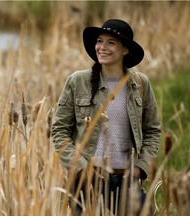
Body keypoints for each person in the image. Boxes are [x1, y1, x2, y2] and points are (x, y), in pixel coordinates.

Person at [52, 19, 161, 215]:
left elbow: (152, 130)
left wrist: (140, 167)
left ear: (125, 50)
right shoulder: (78, 81)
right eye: (99, 41)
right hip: (85, 181)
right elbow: (59, 131)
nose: (102, 47)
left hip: (125, 180)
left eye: (111, 42)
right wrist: (81, 167)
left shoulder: (140, 84)